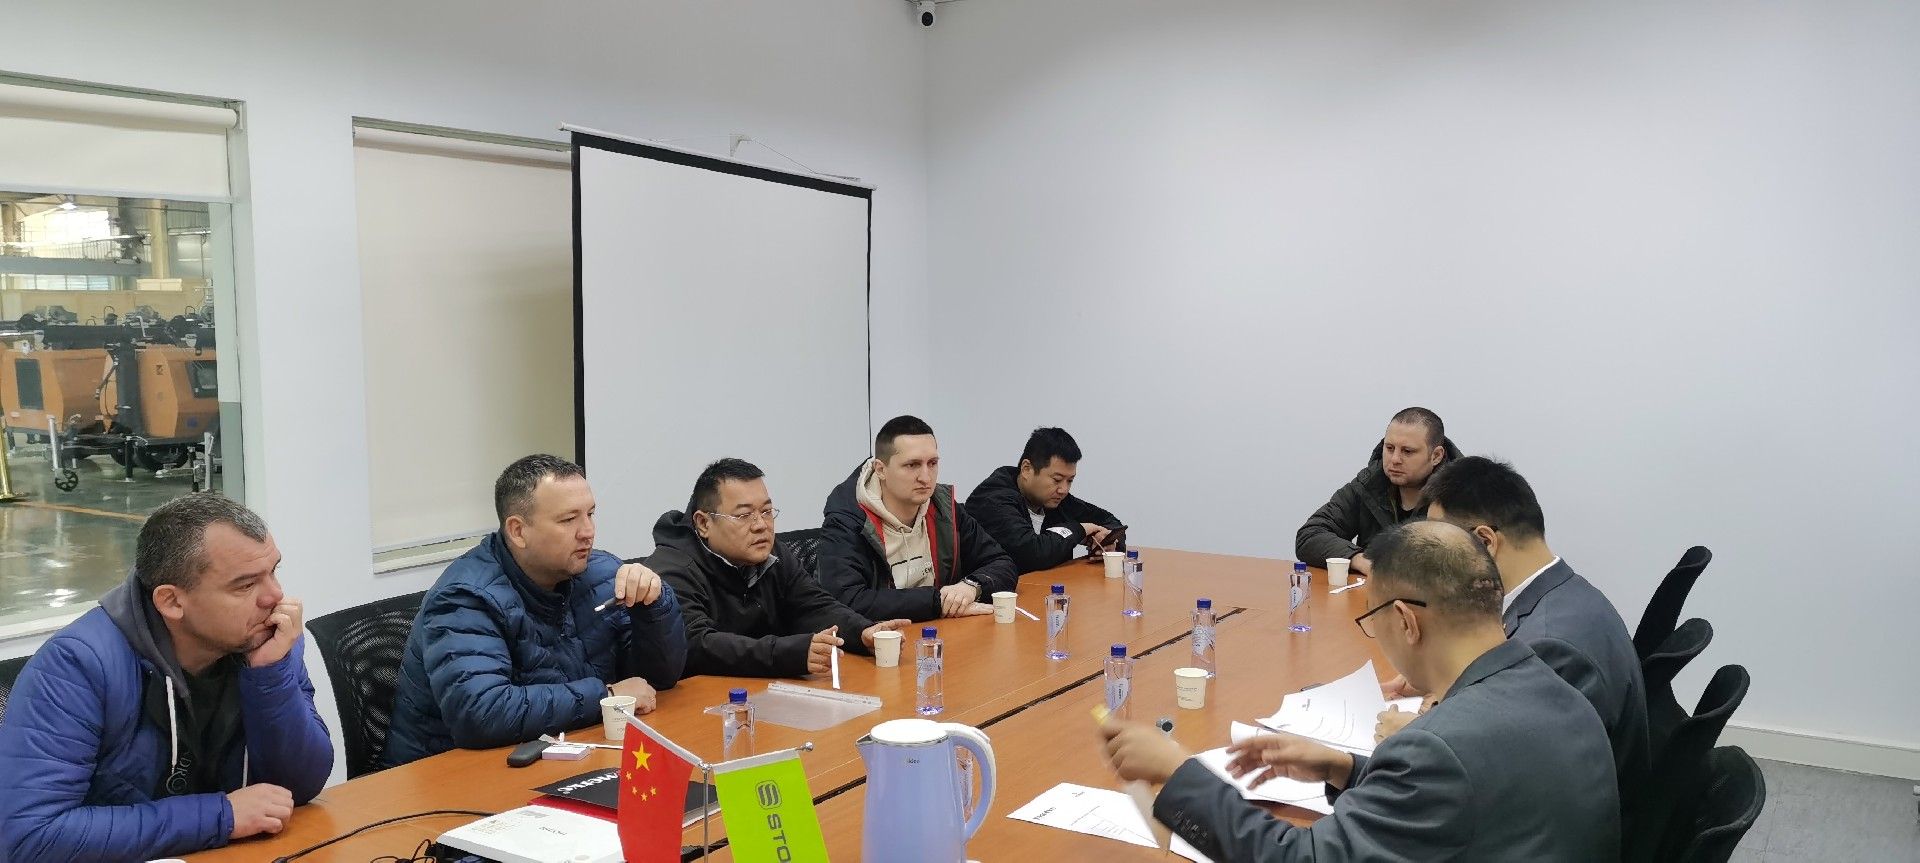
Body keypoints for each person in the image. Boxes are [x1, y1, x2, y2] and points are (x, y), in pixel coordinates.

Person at [1100, 521, 1619, 862]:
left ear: (1406, 621)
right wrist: (1343, 768)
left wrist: (1177, 772)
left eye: (1372, 620)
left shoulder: (1437, 748)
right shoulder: (1555, 686)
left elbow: (1299, 859)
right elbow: (1471, 791)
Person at [0, 494, 333, 862]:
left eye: (273, 571)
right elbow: (32, 838)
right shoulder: (76, 667)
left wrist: (270, 677)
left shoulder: (266, 641)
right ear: (171, 602)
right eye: (244, 585)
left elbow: (299, 787)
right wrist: (220, 816)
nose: (275, 596)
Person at [385, 454, 687, 765]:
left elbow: (657, 680)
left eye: (590, 514)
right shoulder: (465, 598)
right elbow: (481, 712)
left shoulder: (601, 572)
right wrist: (606, 697)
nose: (587, 531)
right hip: (448, 775)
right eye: (568, 520)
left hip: (564, 752)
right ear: (518, 531)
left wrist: (653, 607)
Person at [1377, 455, 1650, 794]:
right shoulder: (1562, 594)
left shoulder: (1551, 647)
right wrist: (1449, 677)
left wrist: (1414, 734)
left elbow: (1514, 771)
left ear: (1484, 543)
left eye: (1438, 547)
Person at [638, 458, 912, 678]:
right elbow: (697, 645)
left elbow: (811, 605)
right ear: (704, 523)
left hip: (765, 692)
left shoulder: (770, 552)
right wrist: (788, 654)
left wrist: (862, 632)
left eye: (767, 511)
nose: (761, 525)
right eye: (744, 515)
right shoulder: (672, 569)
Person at [819, 415, 1017, 622]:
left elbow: (1001, 562)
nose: (926, 477)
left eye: (932, 463)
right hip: (881, 637)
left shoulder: (944, 507)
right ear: (881, 470)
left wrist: (971, 587)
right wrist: (937, 602)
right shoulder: (847, 521)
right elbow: (845, 600)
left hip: (941, 631)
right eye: (912, 465)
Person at [1295, 406, 1462, 573]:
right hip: (1371, 588)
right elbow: (1310, 535)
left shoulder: (1463, 498)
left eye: (1407, 451)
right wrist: (1359, 560)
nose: (1395, 459)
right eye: (1389, 448)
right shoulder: (1368, 484)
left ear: (1436, 456)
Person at [965, 427, 1125, 574]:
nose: (1064, 489)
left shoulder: (1057, 500)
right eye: (1057, 480)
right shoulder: (992, 499)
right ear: (1027, 469)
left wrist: (1107, 541)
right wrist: (1079, 530)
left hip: (1051, 590)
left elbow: (1111, 523)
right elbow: (1032, 553)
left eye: (1070, 480)